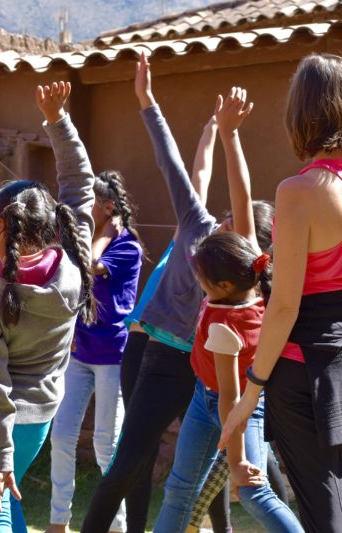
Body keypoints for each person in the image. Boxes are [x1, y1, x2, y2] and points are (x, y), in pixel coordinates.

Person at [81, 53, 273, 532]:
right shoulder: (195, 224)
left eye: (237, 222)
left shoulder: (244, 259)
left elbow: (244, 196)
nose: (228, 220)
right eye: (227, 216)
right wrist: (148, 101)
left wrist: (230, 137)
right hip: (166, 358)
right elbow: (174, 164)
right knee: (128, 463)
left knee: (221, 473)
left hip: (215, 373)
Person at [153, 87, 302, 532]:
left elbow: (232, 402)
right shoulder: (252, 272)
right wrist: (230, 135)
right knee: (180, 488)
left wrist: (236, 463)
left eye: (198, 273)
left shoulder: (223, 325)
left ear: (218, 286)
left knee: (253, 489)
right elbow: (244, 195)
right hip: (209, 399)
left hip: (234, 404)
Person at [0, 80, 95, 531]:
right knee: (8, 506)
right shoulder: (73, 266)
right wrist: (59, 120)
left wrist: (1, 459)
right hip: (38, 418)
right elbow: (79, 183)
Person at [221, 53, 342, 532]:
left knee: (322, 510)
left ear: (302, 113)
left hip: (304, 374)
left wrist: (250, 393)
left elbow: (286, 304)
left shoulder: (302, 190)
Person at [47, 170, 143, 533]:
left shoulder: (127, 248)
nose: (84, 212)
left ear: (107, 208)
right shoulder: (86, 241)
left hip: (113, 357)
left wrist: (103, 234)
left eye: (91, 205)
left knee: (106, 444)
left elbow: (89, 268)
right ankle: (58, 520)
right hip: (80, 353)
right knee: (61, 436)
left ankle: (115, 525)